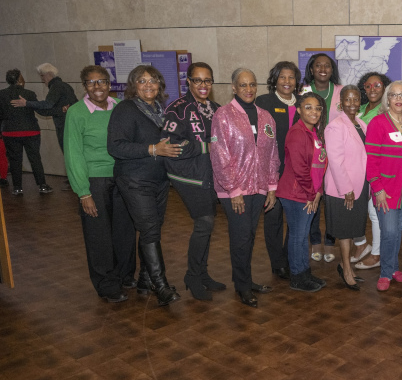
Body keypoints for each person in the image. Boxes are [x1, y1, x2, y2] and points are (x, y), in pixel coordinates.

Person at [107, 65, 182, 307]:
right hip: (134, 179)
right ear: (133, 85)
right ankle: (160, 285)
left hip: (160, 179)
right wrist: (152, 149)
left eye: (153, 80)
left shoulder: (160, 110)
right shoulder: (126, 109)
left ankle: (144, 281)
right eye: (142, 81)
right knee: (149, 229)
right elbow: (115, 146)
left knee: (153, 229)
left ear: (160, 84)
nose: (148, 85)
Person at [64, 65, 136, 303]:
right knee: (99, 235)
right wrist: (83, 193)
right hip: (94, 180)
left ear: (109, 83)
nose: (98, 87)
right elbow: (73, 154)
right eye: (91, 83)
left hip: (122, 176)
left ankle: (125, 275)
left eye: (102, 81)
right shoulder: (76, 113)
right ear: (84, 86)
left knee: (124, 232)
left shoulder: (120, 106)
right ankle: (106, 284)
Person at [210, 68, 279, 307]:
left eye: (252, 85)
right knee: (240, 238)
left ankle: (246, 280)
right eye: (243, 85)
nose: (248, 90)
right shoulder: (223, 115)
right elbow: (219, 154)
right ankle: (242, 286)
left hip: (259, 187)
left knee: (249, 236)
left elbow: (272, 154)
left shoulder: (265, 117)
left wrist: (272, 186)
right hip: (235, 191)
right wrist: (233, 190)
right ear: (233, 87)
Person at [162, 62, 225, 301]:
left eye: (207, 80)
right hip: (188, 175)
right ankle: (192, 276)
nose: (203, 85)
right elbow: (168, 146)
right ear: (188, 81)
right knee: (204, 222)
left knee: (207, 225)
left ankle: (202, 274)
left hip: (209, 174)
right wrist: (205, 146)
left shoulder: (215, 107)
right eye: (197, 80)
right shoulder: (178, 108)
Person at [365, 81, 402, 292]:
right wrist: (377, 188)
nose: (398, 99)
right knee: (389, 232)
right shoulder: (378, 123)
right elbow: (371, 160)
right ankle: (385, 273)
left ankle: (394, 268)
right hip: (386, 190)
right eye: (393, 95)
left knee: (397, 231)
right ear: (387, 99)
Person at [255, 61, 303, 281]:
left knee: (295, 220)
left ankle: (288, 256)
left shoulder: (304, 103)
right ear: (274, 79)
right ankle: (277, 262)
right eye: (282, 77)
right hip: (272, 172)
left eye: (291, 77)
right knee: (273, 218)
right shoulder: (263, 103)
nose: (287, 81)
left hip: (297, 173)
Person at [276, 92, 329, 292]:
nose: (313, 112)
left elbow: (319, 165)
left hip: (308, 193)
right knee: (298, 236)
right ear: (299, 110)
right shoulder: (297, 133)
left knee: (302, 235)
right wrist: (311, 194)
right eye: (308, 107)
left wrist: (318, 192)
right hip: (296, 194)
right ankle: (297, 277)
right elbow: (300, 169)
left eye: (317, 108)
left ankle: (304, 272)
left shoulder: (313, 132)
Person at [325, 85, 369, 290]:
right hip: (343, 189)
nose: (352, 104)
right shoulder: (335, 126)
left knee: (352, 229)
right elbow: (335, 161)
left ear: (360, 102)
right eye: (348, 100)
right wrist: (347, 189)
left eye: (356, 99)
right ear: (340, 102)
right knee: (344, 231)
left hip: (360, 186)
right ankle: (347, 270)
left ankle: (345, 264)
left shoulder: (361, 124)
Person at [11, 63, 78, 190]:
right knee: (70, 153)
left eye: (42, 76)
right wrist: (60, 110)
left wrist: (27, 103)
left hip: (65, 125)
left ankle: (75, 180)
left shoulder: (56, 87)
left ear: (49, 74)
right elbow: (58, 108)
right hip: (68, 124)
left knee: (70, 153)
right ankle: (73, 179)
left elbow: (48, 105)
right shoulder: (64, 86)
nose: (42, 79)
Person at [301, 53, 340, 263]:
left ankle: (331, 240)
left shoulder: (341, 92)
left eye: (327, 65)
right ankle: (315, 240)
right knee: (313, 193)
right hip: (311, 153)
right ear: (311, 69)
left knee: (332, 198)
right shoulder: (304, 91)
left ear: (332, 70)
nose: (323, 69)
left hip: (335, 154)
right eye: (318, 65)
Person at [350, 71, 391, 270]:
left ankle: (377, 255)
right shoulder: (361, 108)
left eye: (377, 85)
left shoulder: (388, 111)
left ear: (384, 87)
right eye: (368, 86)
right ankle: (362, 245)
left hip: (375, 169)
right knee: (358, 210)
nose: (372, 89)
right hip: (357, 168)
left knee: (375, 214)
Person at [0, 69, 52, 195]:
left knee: (15, 160)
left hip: (10, 132)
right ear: (19, 79)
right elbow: (39, 109)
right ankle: (42, 186)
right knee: (35, 158)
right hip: (31, 131)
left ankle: (17, 188)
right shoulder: (29, 94)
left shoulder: (1, 95)